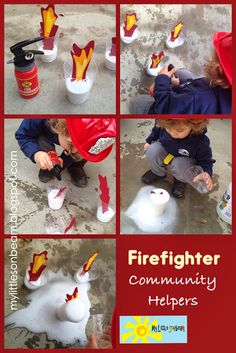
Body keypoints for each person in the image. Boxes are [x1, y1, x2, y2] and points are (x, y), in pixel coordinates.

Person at [132, 32, 232, 114]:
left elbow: (165, 109)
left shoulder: (195, 98)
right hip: (190, 97)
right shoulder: (221, 87)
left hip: (171, 107)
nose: (210, 58)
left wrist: (161, 82)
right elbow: (198, 86)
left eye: (214, 58)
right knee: (183, 74)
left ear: (219, 68)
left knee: (139, 102)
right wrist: (180, 83)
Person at [15, 118, 116, 187]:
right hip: (44, 133)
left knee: (86, 151)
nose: (73, 152)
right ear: (63, 130)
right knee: (39, 139)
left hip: (76, 140)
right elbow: (23, 135)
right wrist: (36, 153)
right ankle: (47, 162)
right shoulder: (38, 117)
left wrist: (66, 160)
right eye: (71, 147)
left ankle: (75, 165)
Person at [142, 119, 214, 198]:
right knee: (153, 150)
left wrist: (206, 172)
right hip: (166, 149)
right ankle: (157, 172)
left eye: (179, 130)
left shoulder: (201, 142)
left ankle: (180, 181)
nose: (173, 134)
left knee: (179, 164)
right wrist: (149, 140)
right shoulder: (166, 123)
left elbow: (206, 160)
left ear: (194, 126)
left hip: (184, 160)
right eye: (168, 128)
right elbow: (157, 129)